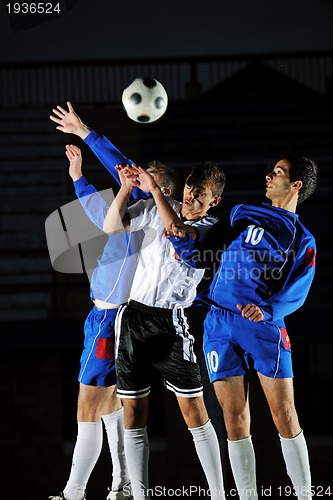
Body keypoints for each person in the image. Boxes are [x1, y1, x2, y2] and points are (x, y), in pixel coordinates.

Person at [48, 141, 180, 500]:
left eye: (144, 179)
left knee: (87, 407)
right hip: (103, 316)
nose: (135, 180)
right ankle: (120, 483)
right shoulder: (136, 207)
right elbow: (100, 213)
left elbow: (109, 218)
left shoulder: (149, 215)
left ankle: (73, 492)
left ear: (161, 191)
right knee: (107, 405)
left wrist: (98, 155)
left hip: (111, 318)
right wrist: (78, 177)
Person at [189, 153, 318, 500]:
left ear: (295, 185)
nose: (268, 176)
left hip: (261, 326)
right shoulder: (242, 213)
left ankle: (305, 495)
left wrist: (268, 310)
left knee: (285, 415)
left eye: (278, 172)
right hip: (218, 322)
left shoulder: (299, 236)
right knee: (233, 420)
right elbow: (209, 246)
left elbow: (300, 287)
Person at [103, 161, 227, 500]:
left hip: (174, 322)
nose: (190, 196)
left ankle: (219, 493)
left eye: (199, 194)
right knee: (133, 413)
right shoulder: (161, 206)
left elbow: (178, 235)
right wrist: (127, 188)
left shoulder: (213, 226)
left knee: (195, 412)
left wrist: (155, 190)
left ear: (213, 201)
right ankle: (140, 495)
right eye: (189, 187)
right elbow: (112, 226)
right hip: (134, 319)